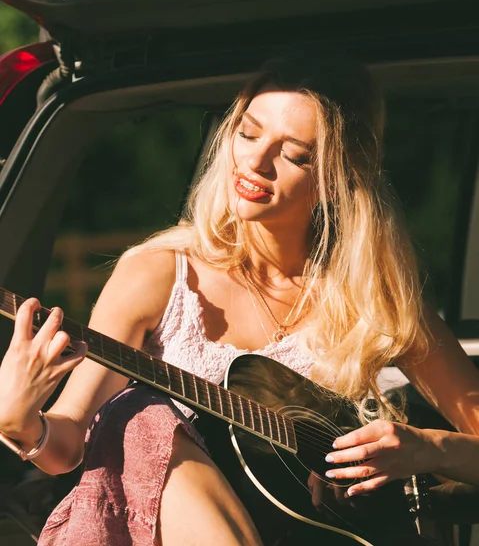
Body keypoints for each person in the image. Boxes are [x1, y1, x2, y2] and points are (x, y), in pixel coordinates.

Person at [0, 56, 479, 546]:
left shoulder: (374, 299)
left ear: (338, 178)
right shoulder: (160, 271)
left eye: (294, 154)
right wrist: (22, 423)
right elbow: (67, 443)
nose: (254, 161)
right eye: (248, 134)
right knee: (137, 416)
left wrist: (427, 447)